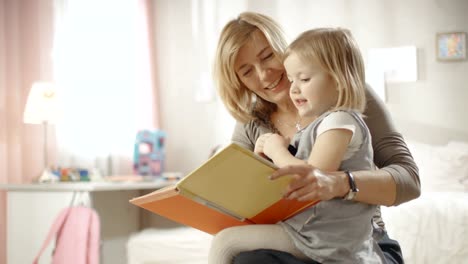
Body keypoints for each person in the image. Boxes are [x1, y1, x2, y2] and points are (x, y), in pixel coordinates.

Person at [209, 11, 420, 264]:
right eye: (247, 72)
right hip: (293, 241)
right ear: (239, 82)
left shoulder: (345, 95)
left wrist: (341, 183)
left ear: (283, 49)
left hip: (359, 244)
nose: (264, 75)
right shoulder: (251, 124)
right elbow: (235, 203)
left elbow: (409, 180)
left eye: (267, 56)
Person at [252, 27, 384, 263]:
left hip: (327, 242)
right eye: (291, 79)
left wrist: (277, 150)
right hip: (315, 235)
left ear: (339, 81)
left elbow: (312, 178)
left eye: (304, 79)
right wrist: (264, 157)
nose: (293, 88)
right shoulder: (319, 125)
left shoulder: (340, 121)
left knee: (227, 241)